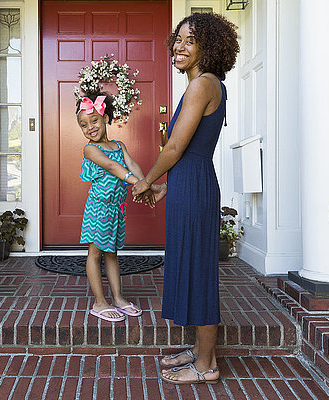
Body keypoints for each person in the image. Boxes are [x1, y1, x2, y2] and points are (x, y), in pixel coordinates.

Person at [132, 13, 239, 384]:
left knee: (200, 273)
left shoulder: (202, 85)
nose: (179, 46)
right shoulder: (204, 85)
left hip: (194, 184)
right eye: (177, 40)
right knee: (193, 267)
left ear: (207, 47)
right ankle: (199, 350)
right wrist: (168, 187)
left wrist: (147, 180)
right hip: (190, 184)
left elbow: (176, 146)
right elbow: (189, 150)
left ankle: (207, 364)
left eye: (189, 41)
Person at [78, 91, 152, 322]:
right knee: (95, 253)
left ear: (106, 119)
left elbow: (132, 164)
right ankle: (99, 303)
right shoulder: (90, 149)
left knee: (112, 253)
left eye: (94, 120)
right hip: (98, 209)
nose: (89, 127)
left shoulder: (119, 145)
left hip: (116, 209)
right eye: (83, 124)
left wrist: (146, 186)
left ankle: (118, 298)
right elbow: (112, 167)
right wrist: (137, 183)